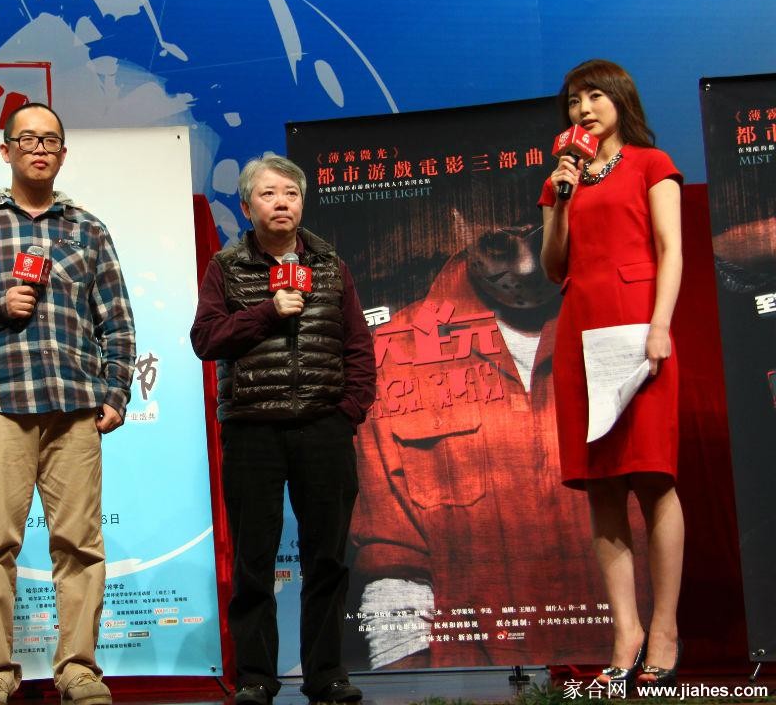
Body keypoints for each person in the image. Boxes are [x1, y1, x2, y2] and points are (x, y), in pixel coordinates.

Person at [349, 204, 637, 669]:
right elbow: (392, 563)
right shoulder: (395, 351)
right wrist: (413, 689)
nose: (524, 267)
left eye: (539, 237)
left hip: (634, 673)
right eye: (499, 245)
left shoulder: (627, 324)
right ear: (460, 224)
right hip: (473, 682)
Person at [0, 103, 136, 705]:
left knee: (80, 545)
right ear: (6, 150)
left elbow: (117, 322)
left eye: (50, 141)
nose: (39, 149)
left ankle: (78, 670)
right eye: (28, 139)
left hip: (74, 406)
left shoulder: (88, 230)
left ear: (63, 154)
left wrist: (115, 392)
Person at [190, 155, 376, 705]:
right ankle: (255, 678)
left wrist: (348, 410)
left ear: (302, 204)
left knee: (327, 559)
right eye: (269, 194)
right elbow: (206, 339)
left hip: (323, 427)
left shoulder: (330, 265)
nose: (281, 203)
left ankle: (327, 675)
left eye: (291, 194)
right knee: (254, 560)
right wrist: (270, 312)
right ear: (247, 206)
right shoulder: (226, 268)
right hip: (253, 431)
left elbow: (358, 346)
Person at [540, 59, 685, 688]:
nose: (584, 109)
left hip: (640, 327)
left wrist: (660, 324)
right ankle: (625, 634)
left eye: (595, 96)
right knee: (601, 487)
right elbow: (553, 266)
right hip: (581, 332)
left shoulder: (653, 164)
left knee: (653, 479)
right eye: (575, 101)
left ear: (621, 100)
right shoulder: (561, 178)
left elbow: (670, 249)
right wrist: (561, 197)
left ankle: (665, 631)